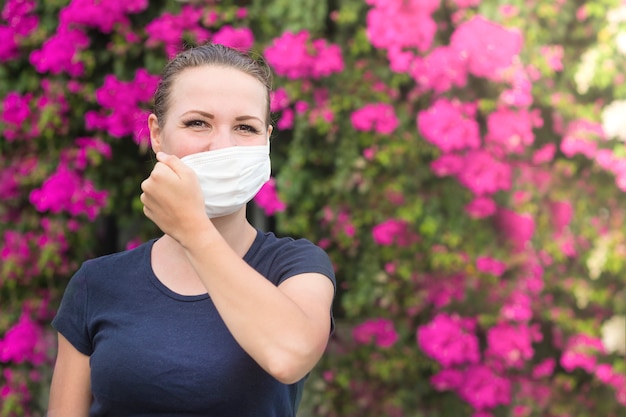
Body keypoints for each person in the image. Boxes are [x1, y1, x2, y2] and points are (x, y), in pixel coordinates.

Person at [47, 43, 336, 417]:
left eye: (245, 127)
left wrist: (194, 230)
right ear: (156, 134)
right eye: (198, 123)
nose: (222, 145)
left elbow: (290, 355)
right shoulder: (97, 283)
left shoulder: (297, 267)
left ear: (266, 140)